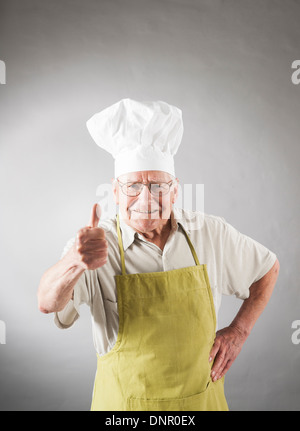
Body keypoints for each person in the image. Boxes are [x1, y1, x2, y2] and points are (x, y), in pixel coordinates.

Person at [37, 99, 279, 411]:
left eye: (158, 186)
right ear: (114, 191)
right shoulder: (93, 245)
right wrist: (74, 262)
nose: (146, 198)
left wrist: (240, 331)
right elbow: (47, 303)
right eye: (133, 185)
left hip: (200, 404)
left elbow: (267, 268)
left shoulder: (209, 233)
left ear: (175, 189)